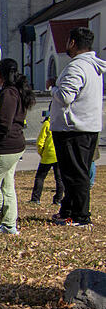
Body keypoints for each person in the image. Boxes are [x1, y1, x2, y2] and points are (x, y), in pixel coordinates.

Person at [46, 26, 104, 227]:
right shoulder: (93, 66)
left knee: (75, 174)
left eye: (67, 41)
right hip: (87, 125)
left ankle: (80, 216)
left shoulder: (76, 67)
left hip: (72, 129)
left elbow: (65, 97)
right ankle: (68, 210)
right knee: (75, 172)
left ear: (72, 42)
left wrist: (53, 87)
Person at [0, 58, 33, 235]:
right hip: (16, 144)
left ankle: (6, 216)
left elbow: (3, 122)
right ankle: (9, 225)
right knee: (7, 185)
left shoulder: (8, 93)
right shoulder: (18, 91)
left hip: (6, 146)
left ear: (0, 74)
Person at [30, 112, 64, 205]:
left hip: (48, 154)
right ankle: (58, 199)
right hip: (59, 154)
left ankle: (35, 198)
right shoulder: (62, 123)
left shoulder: (47, 124)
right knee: (59, 178)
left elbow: (40, 141)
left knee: (40, 177)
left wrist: (41, 152)